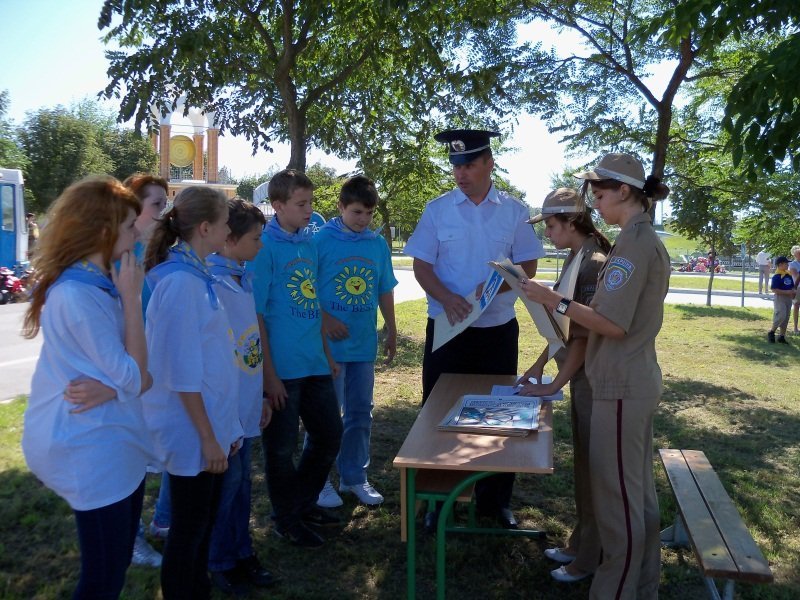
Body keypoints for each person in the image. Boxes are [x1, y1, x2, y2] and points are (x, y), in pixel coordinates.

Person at [519, 152, 670, 599]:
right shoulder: (632, 240)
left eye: (600, 194)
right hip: (622, 383)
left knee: (618, 505)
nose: (596, 205)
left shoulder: (634, 246)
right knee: (634, 500)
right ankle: (641, 588)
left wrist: (555, 301)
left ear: (625, 191)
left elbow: (613, 324)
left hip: (621, 387)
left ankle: (614, 590)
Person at [404, 129, 545, 530]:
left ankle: (494, 501)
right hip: (448, 330)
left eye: (468, 165)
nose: (460, 173)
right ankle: (437, 499)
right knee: (438, 411)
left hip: (497, 328)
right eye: (455, 166)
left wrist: (501, 283)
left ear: (488, 164)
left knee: (502, 413)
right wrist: (447, 297)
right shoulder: (437, 210)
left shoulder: (514, 210)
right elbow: (422, 266)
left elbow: (529, 264)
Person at [21, 176, 155, 599]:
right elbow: (136, 376)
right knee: (103, 578)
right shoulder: (79, 295)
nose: (138, 233)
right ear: (104, 230)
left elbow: (136, 378)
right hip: (91, 450)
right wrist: (132, 300)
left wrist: (117, 387)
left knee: (111, 570)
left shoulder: (101, 282)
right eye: (131, 225)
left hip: (117, 441)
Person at [141, 186, 244, 599]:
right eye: (224, 224)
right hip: (193, 434)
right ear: (205, 227)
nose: (227, 232)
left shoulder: (195, 275)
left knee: (200, 528)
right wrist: (208, 439)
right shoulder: (181, 283)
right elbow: (182, 374)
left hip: (209, 427)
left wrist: (227, 428)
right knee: (189, 532)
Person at [247, 169, 343, 548]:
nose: (309, 210)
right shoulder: (262, 248)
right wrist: (269, 377)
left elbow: (313, 300)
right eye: (301, 204)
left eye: (311, 203)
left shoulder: (309, 244)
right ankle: (286, 519)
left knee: (329, 436)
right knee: (281, 449)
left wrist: (327, 353)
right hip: (282, 369)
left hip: (314, 361)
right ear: (278, 206)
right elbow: (256, 317)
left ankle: (301, 504)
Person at [518, 188, 610, 583]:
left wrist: (553, 382)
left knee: (595, 471)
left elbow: (584, 336)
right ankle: (580, 542)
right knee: (584, 468)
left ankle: (590, 558)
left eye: (552, 227)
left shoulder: (594, 263)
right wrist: (539, 365)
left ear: (573, 223)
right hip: (578, 378)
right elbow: (561, 326)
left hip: (592, 381)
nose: (548, 235)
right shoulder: (577, 257)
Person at [312, 175, 398, 508]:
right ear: (341, 207)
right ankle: (320, 481)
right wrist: (325, 318)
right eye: (357, 212)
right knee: (327, 417)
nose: (363, 220)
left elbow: (384, 288)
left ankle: (354, 477)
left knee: (361, 413)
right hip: (328, 348)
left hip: (362, 346)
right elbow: (305, 288)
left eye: (369, 214)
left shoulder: (376, 244)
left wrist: (390, 328)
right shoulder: (320, 242)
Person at [205, 198, 276, 595]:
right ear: (229, 240)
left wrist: (263, 395)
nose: (260, 246)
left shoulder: (241, 278)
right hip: (225, 411)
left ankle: (241, 551)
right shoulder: (212, 285)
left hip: (247, 405)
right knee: (226, 490)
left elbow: (251, 347)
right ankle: (219, 560)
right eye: (255, 238)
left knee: (244, 486)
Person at [123, 173, 171, 566]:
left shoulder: (159, 251)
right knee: (132, 457)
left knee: (155, 449)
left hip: (155, 368)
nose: (163, 212)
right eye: (156, 204)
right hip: (126, 371)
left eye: (165, 204)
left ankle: (161, 520)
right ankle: (131, 538)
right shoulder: (119, 256)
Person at [768, 255, 794, 344]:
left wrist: (792, 292)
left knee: (786, 317)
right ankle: (772, 332)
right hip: (780, 298)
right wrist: (786, 292)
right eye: (786, 264)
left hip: (788, 299)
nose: (787, 265)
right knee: (781, 315)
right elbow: (774, 289)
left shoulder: (788, 275)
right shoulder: (777, 276)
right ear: (780, 264)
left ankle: (782, 336)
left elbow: (791, 286)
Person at [788, 245, 800, 335]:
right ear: (794, 255)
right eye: (798, 254)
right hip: (797, 287)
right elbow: (795, 276)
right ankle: (795, 327)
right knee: (796, 305)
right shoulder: (793, 264)